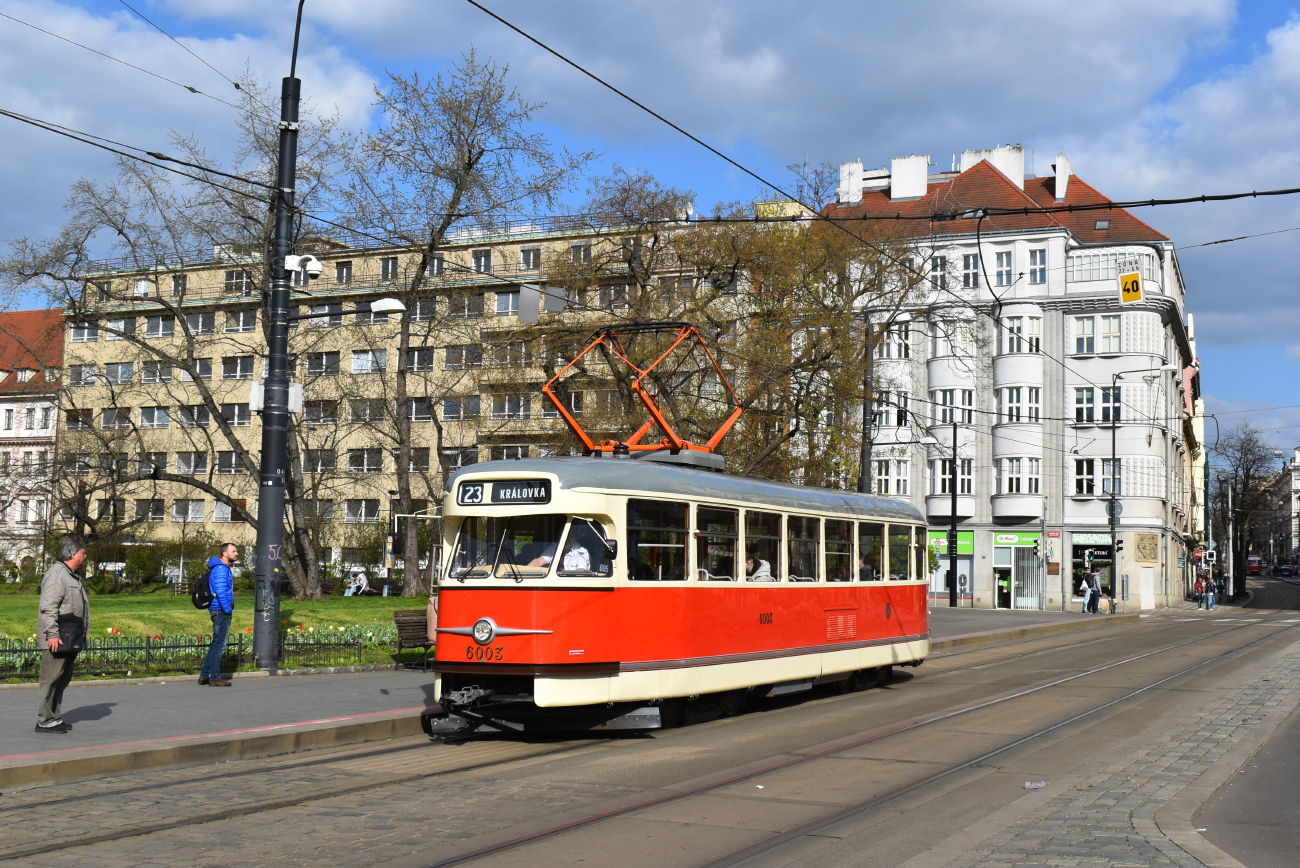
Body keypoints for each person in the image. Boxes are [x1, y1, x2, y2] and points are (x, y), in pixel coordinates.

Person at [36, 536, 88, 734]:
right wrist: (52, 634)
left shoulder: (70, 575)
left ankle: (53, 718)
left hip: (69, 637)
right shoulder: (58, 574)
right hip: (58, 638)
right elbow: (48, 607)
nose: (85, 556)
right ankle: (44, 720)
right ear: (73, 554)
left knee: (61, 679)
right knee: (50, 679)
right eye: (83, 553)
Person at [199, 543, 237, 686]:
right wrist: (227, 609)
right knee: (220, 645)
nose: (236, 553)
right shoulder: (221, 568)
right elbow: (220, 591)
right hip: (220, 610)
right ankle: (214, 677)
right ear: (225, 554)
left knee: (216, 643)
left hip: (218, 609)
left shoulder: (221, 568)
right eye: (233, 551)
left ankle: (204, 675)